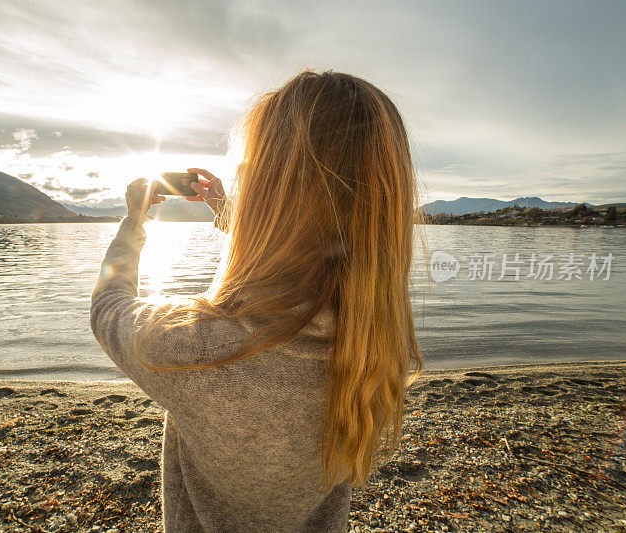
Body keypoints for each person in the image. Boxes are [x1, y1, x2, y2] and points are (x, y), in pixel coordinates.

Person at [90, 70, 423, 532]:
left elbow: (108, 306)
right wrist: (227, 213)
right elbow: (312, 256)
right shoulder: (375, 346)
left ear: (269, 194)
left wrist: (133, 221)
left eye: (250, 169)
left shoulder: (194, 349)